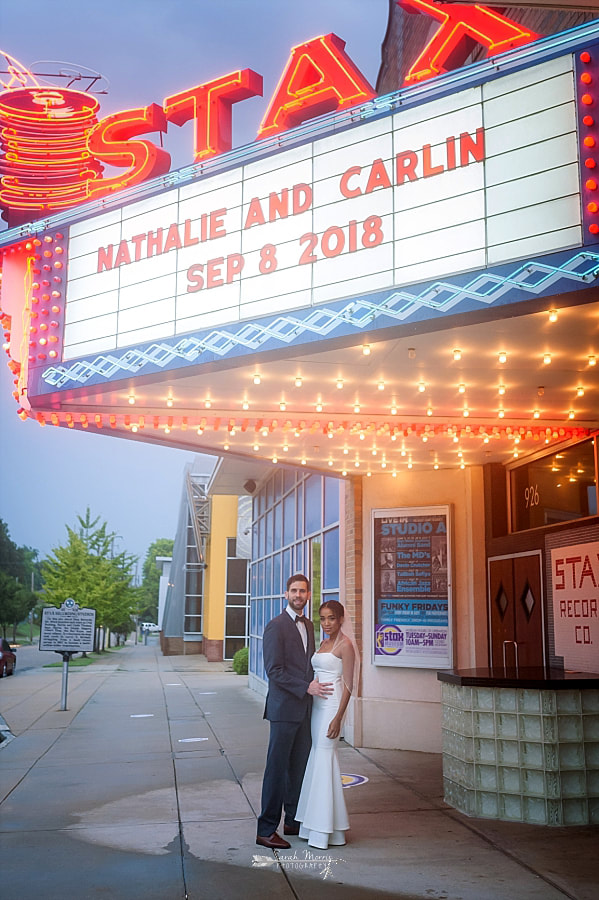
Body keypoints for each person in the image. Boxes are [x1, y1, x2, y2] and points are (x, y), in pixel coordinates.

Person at [256, 574, 333, 850]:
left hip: (304, 711)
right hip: (283, 709)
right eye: (294, 590)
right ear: (286, 594)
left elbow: (306, 665)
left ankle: (292, 820)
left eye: (303, 590)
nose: (298, 594)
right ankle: (265, 829)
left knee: (298, 769)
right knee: (276, 770)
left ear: (309, 595)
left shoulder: (310, 624)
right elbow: (274, 672)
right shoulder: (275, 626)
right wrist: (306, 688)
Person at [295, 599, 360, 850]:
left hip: (332, 709)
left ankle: (323, 830)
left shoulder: (346, 646)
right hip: (317, 710)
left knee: (325, 760)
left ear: (341, 619)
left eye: (331, 618)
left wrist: (338, 718)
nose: (326, 623)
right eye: (322, 618)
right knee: (318, 760)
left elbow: (349, 686)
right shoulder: (323, 644)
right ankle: (316, 827)